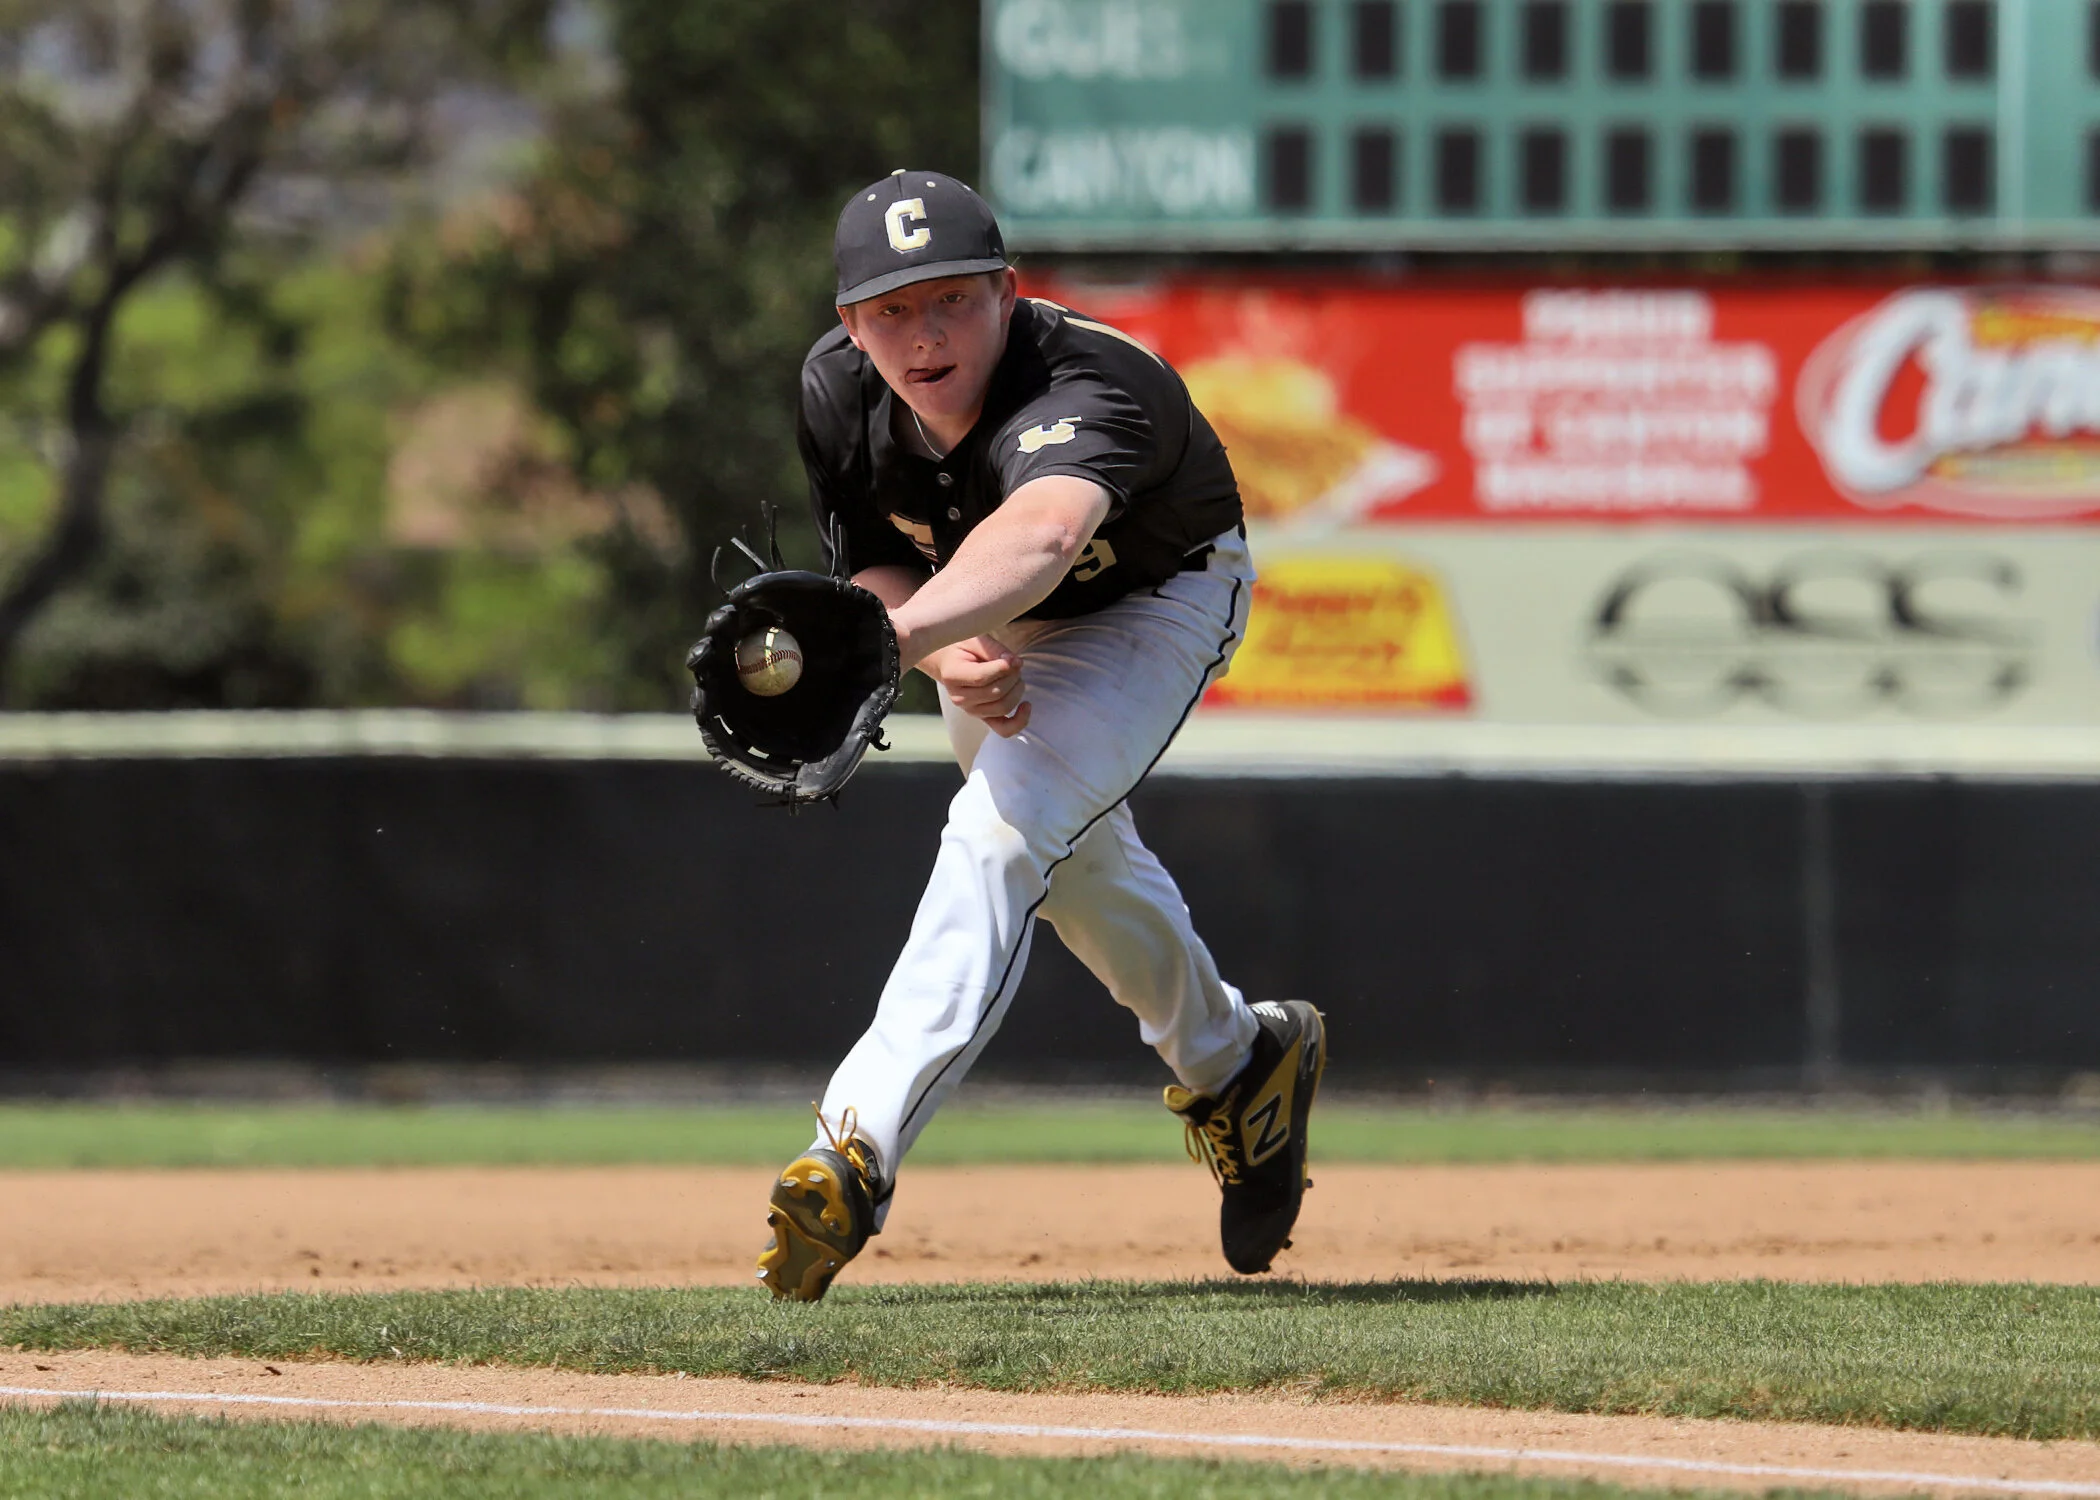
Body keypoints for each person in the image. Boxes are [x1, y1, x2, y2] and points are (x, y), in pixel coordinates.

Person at [756, 170, 1326, 1302]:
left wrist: (900, 636)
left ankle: (853, 1146)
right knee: (1068, 868)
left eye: (953, 299)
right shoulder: (835, 393)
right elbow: (876, 550)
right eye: (892, 310)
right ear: (849, 325)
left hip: (1155, 597)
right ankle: (1239, 1064)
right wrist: (916, 634)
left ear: (1008, 294)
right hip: (981, 610)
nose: (924, 334)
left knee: (1003, 833)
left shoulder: (1088, 379)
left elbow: (1047, 535)